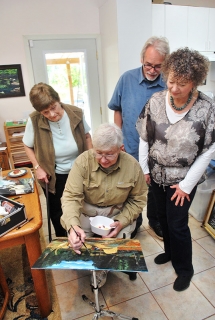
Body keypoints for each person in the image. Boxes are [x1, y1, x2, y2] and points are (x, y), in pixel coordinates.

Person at [136, 47, 215, 292]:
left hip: (183, 180)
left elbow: (209, 150)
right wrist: (144, 169)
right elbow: (144, 137)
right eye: (171, 81)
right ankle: (170, 253)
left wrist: (185, 186)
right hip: (157, 174)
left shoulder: (207, 108)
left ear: (195, 81)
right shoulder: (156, 100)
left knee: (178, 224)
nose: (174, 88)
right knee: (162, 219)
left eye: (182, 83)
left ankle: (185, 269)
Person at [60, 123, 147, 287]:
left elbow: (138, 200)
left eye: (109, 154)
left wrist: (121, 221)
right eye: (98, 153)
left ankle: (103, 268)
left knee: (113, 248)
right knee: (82, 244)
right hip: (87, 213)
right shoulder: (83, 162)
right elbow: (71, 196)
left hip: (117, 213)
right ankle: (95, 266)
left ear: (121, 148)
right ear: (93, 146)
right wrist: (72, 226)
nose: (103, 160)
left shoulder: (133, 166)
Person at [108, 36, 170, 239]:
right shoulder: (127, 79)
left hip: (159, 150)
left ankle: (155, 221)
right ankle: (134, 222)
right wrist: (118, 139)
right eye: (148, 65)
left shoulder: (169, 84)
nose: (152, 70)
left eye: (158, 67)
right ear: (142, 59)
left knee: (154, 190)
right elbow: (117, 109)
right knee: (130, 190)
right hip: (130, 146)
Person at [23, 82, 92, 237]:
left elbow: (87, 136)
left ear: (58, 100)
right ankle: (64, 242)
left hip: (79, 171)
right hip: (53, 176)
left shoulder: (76, 113)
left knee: (83, 207)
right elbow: (27, 146)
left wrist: (91, 158)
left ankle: (83, 237)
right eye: (46, 112)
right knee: (58, 212)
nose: (52, 114)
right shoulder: (34, 120)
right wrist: (37, 167)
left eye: (53, 107)